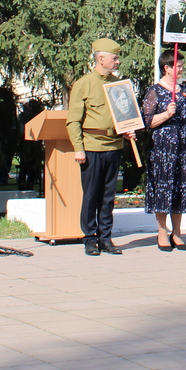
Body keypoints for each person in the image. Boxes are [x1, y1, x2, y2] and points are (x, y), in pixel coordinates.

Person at [65, 38, 137, 257]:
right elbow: (73, 120)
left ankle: (105, 238)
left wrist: (129, 129)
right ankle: (89, 238)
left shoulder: (117, 84)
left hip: (113, 146)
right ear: (101, 58)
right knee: (91, 195)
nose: (117, 62)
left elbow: (123, 115)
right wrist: (78, 147)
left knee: (107, 196)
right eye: (114, 58)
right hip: (92, 146)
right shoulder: (84, 83)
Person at [142, 50, 186, 252]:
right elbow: (147, 122)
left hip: (183, 148)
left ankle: (178, 232)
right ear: (167, 68)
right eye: (178, 66)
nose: (181, 69)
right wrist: (166, 114)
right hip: (163, 148)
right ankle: (162, 232)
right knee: (163, 189)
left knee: (180, 188)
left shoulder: (185, 92)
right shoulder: (154, 91)